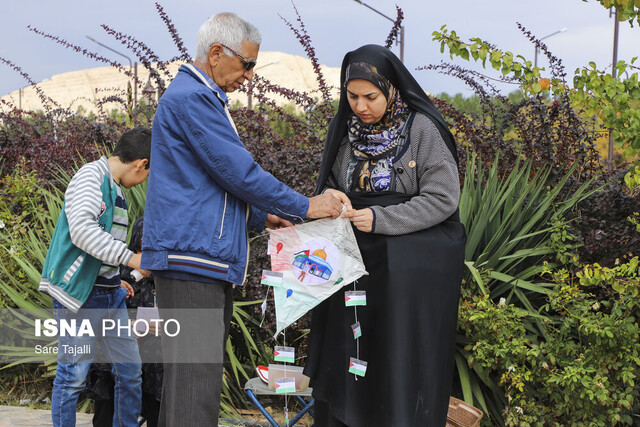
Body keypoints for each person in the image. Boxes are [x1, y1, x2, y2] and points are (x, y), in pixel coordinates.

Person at [140, 12, 347, 425]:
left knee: (188, 387)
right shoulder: (192, 99)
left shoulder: (199, 97)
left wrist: (259, 215)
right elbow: (238, 172)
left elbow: (205, 183)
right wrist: (306, 206)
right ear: (216, 53)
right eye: (247, 64)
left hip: (197, 257)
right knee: (194, 390)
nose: (249, 75)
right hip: (191, 261)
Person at [303, 44, 467, 426]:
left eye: (371, 96)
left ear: (391, 89)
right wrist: (332, 199)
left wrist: (381, 219)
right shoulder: (345, 132)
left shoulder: (422, 129)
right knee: (350, 351)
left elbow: (443, 198)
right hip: (353, 265)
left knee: (394, 353)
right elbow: (328, 183)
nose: (361, 106)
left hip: (404, 273)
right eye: (352, 96)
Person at [40, 127, 152, 426]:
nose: (144, 181)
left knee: (130, 372)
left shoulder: (116, 189)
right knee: (73, 376)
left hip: (109, 294)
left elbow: (103, 248)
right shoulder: (91, 177)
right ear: (141, 163)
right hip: (81, 297)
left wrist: (116, 277)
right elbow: (83, 232)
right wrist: (131, 258)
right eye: (147, 174)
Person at [85, 217, 163, 427]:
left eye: (151, 252)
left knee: (159, 370)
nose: (144, 259)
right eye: (139, 251)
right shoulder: (118, 276)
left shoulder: (167, 282)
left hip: (155, 352)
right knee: (109, 372)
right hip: (118, 346)